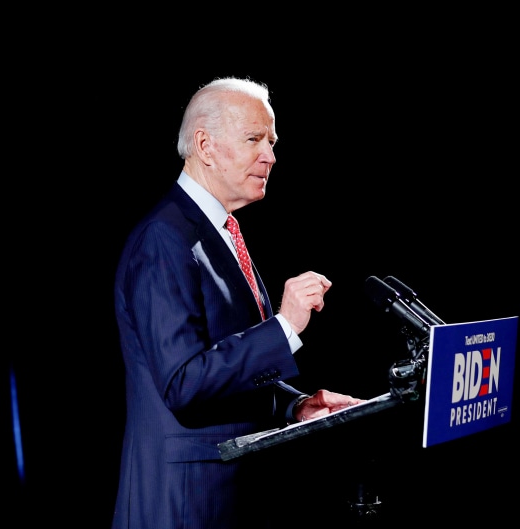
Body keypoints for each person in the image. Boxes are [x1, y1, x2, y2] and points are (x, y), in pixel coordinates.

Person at [111, 77, 366, 529]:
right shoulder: (164, 238)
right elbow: (184, 384)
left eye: (271, 141)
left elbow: (230, 371)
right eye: (255, 139)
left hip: (229, 495)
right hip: (186, 503)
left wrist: (296, 405)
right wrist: (284, 327)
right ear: (205, 145)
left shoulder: (220, 232)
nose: (270, 155)